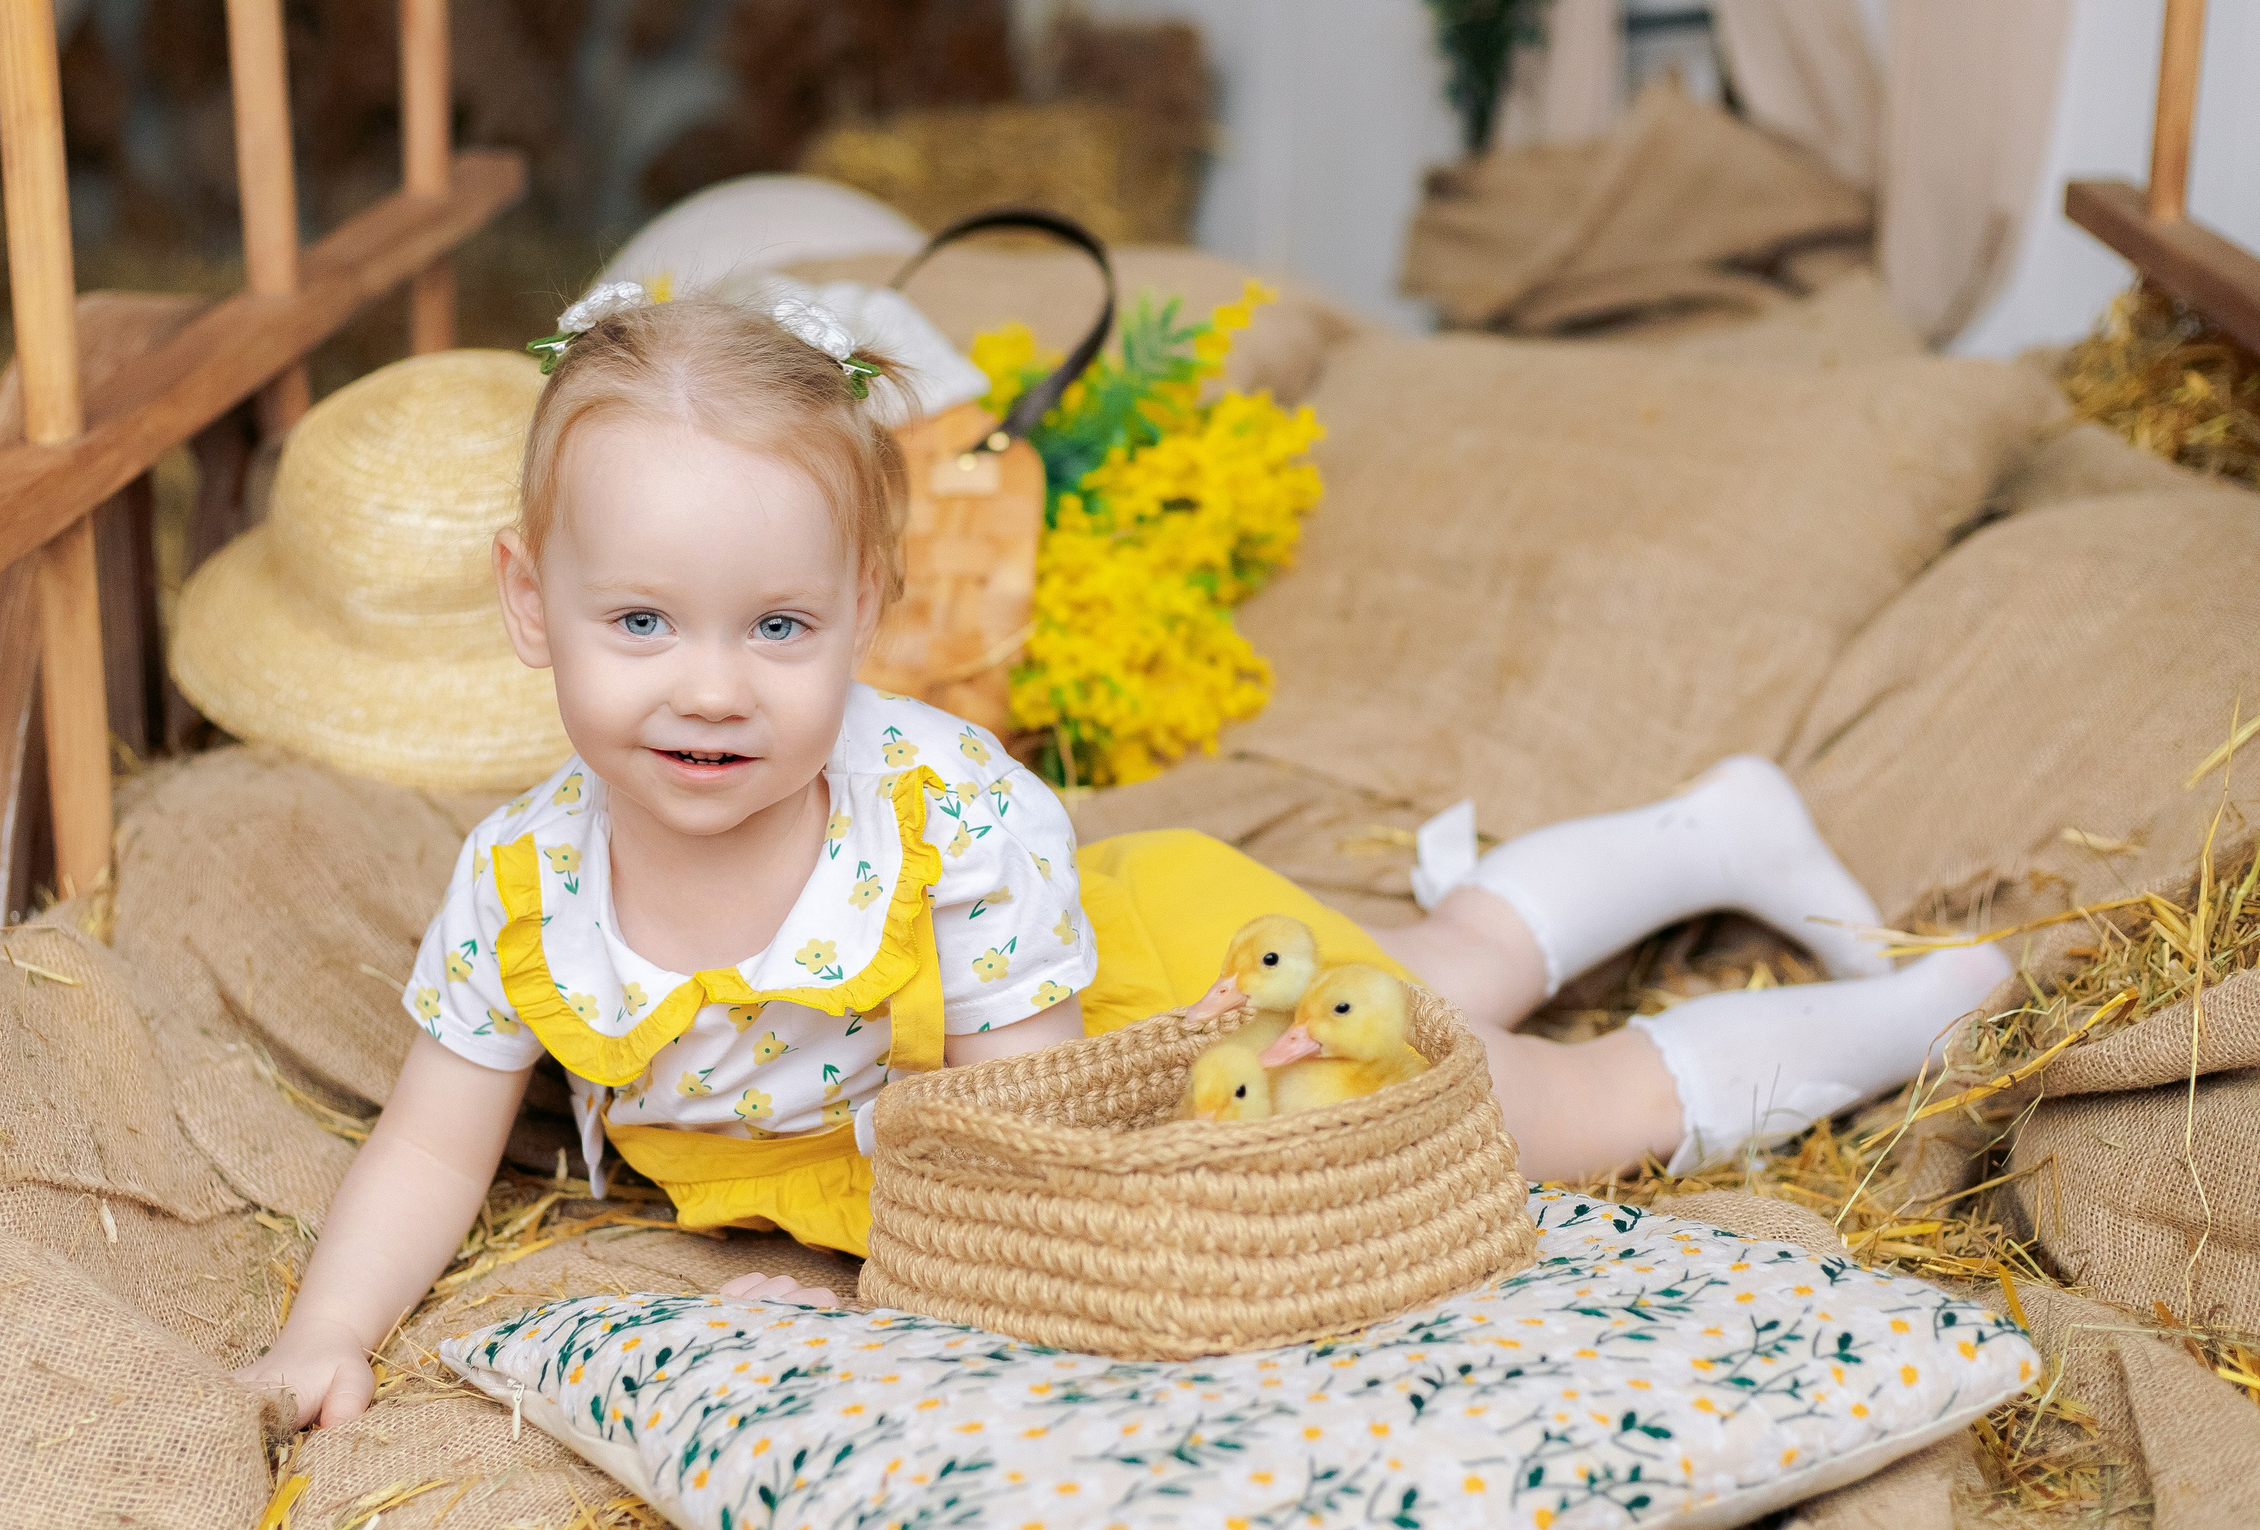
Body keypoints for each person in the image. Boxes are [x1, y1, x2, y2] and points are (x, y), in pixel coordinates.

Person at [239, 284, 2005, 1426]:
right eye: (641, 620)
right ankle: (1721, 828)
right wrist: (333, 1334)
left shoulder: (938, 822)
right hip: (984, 1104)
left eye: (778, 627)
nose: (711, 692)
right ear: (526, 608)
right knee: (1443, 969)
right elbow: (428, 1138)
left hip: (1125, 1037)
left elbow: (1039, 1147)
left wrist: (875, 1292)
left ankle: (1928, 1007)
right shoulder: (522, 887)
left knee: (1517, 1098)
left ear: (870, 609)